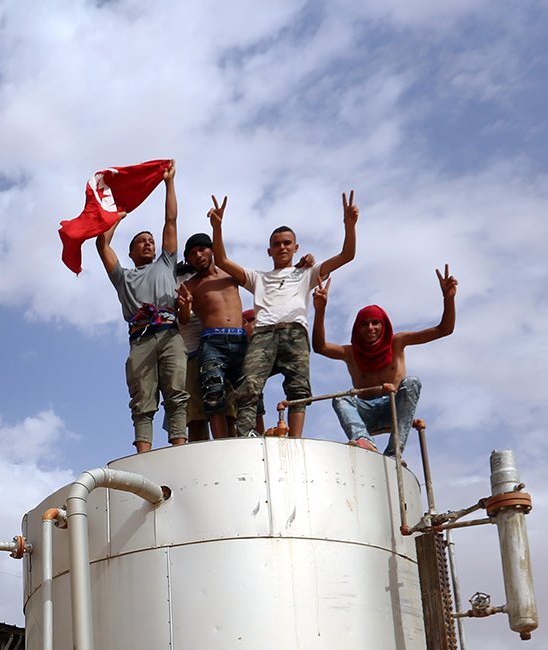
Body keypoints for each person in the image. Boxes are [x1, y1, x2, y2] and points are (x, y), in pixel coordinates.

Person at [206, 191, 357, 438]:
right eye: (277, 244)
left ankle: (296, 440)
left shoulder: (306, 273)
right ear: (269, 251)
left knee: (298, 387)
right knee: (250, 385)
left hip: (295, 330)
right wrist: (217, 227)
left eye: (287, 243)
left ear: (296, 247)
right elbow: (222, 260)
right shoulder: (258, 277)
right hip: (264, 333)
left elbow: (346, 255)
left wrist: (349, 225)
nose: (282, 247)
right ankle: (246, 436)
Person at [310, 266, 458, 453]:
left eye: (375, 322)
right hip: (365, 414)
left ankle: (394, 451)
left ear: (384, 324)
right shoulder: (351, 353)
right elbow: (320, 347)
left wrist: (449, 298)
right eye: (364, 324)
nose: (370, 328)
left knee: (412, 382)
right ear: (357, 329)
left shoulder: (397, 342)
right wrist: (320, 310)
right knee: (340, 398)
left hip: (394, 410)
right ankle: (363, 439)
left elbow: (444, 330)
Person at [97, 163, 185, 453]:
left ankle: (178, 447)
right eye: (141, 242)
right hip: (141, 339)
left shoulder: (166, 263)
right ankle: (144, 456)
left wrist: (168, 184)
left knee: (176, 393)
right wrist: (117, 216)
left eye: (150, 241)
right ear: (132, 253)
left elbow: (170, 221)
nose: (148, 244)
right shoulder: (124, 277)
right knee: (143, 399)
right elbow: (102, 244)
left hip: (170, 333)